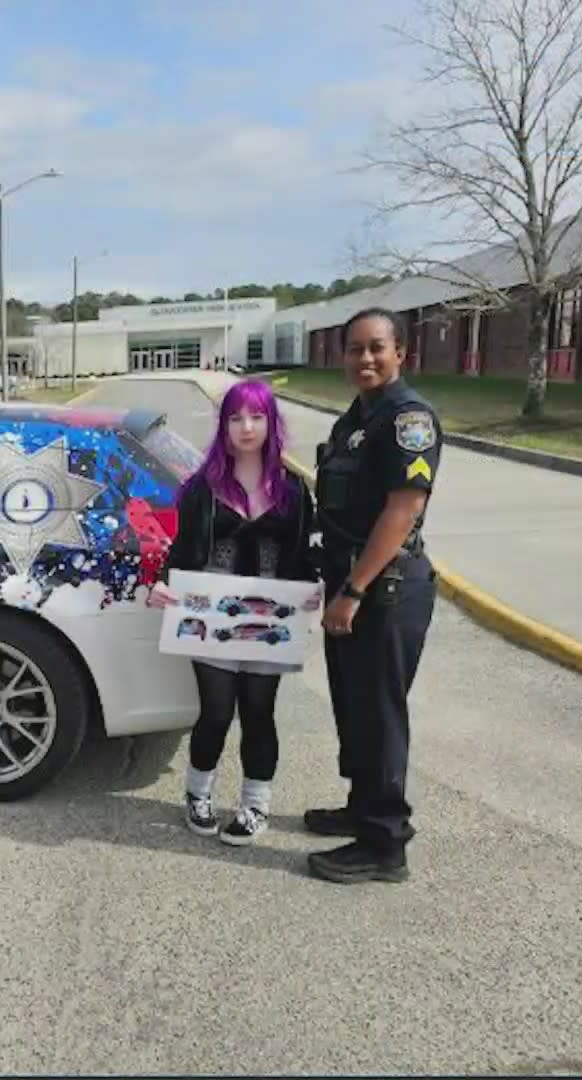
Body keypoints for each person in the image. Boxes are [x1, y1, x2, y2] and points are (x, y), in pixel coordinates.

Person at [305, 307, 443, 884]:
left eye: (376, 348)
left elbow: (403, 509)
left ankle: (386, 844)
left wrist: (354, 589)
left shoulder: (407, 419)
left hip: (382, 590)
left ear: (400, 353)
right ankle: (362, 810)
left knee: (380, 715)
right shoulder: (357, 419)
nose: (365, 358)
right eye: (355, 349)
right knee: (355, 706)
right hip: (351, 584)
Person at [149, 378, 318, 845]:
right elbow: (182, 550)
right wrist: (162, 585)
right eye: (236, 417)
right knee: (216, 712)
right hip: (211, 622)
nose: (246, 427)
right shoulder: (202, 487)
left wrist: (310, 590)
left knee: (260, 713)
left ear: (271, 423)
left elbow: (304, 554)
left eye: (257, 417)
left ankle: (254, 804)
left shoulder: (294, 490)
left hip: (271, 623)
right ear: (223, 426)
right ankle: (197, 795)